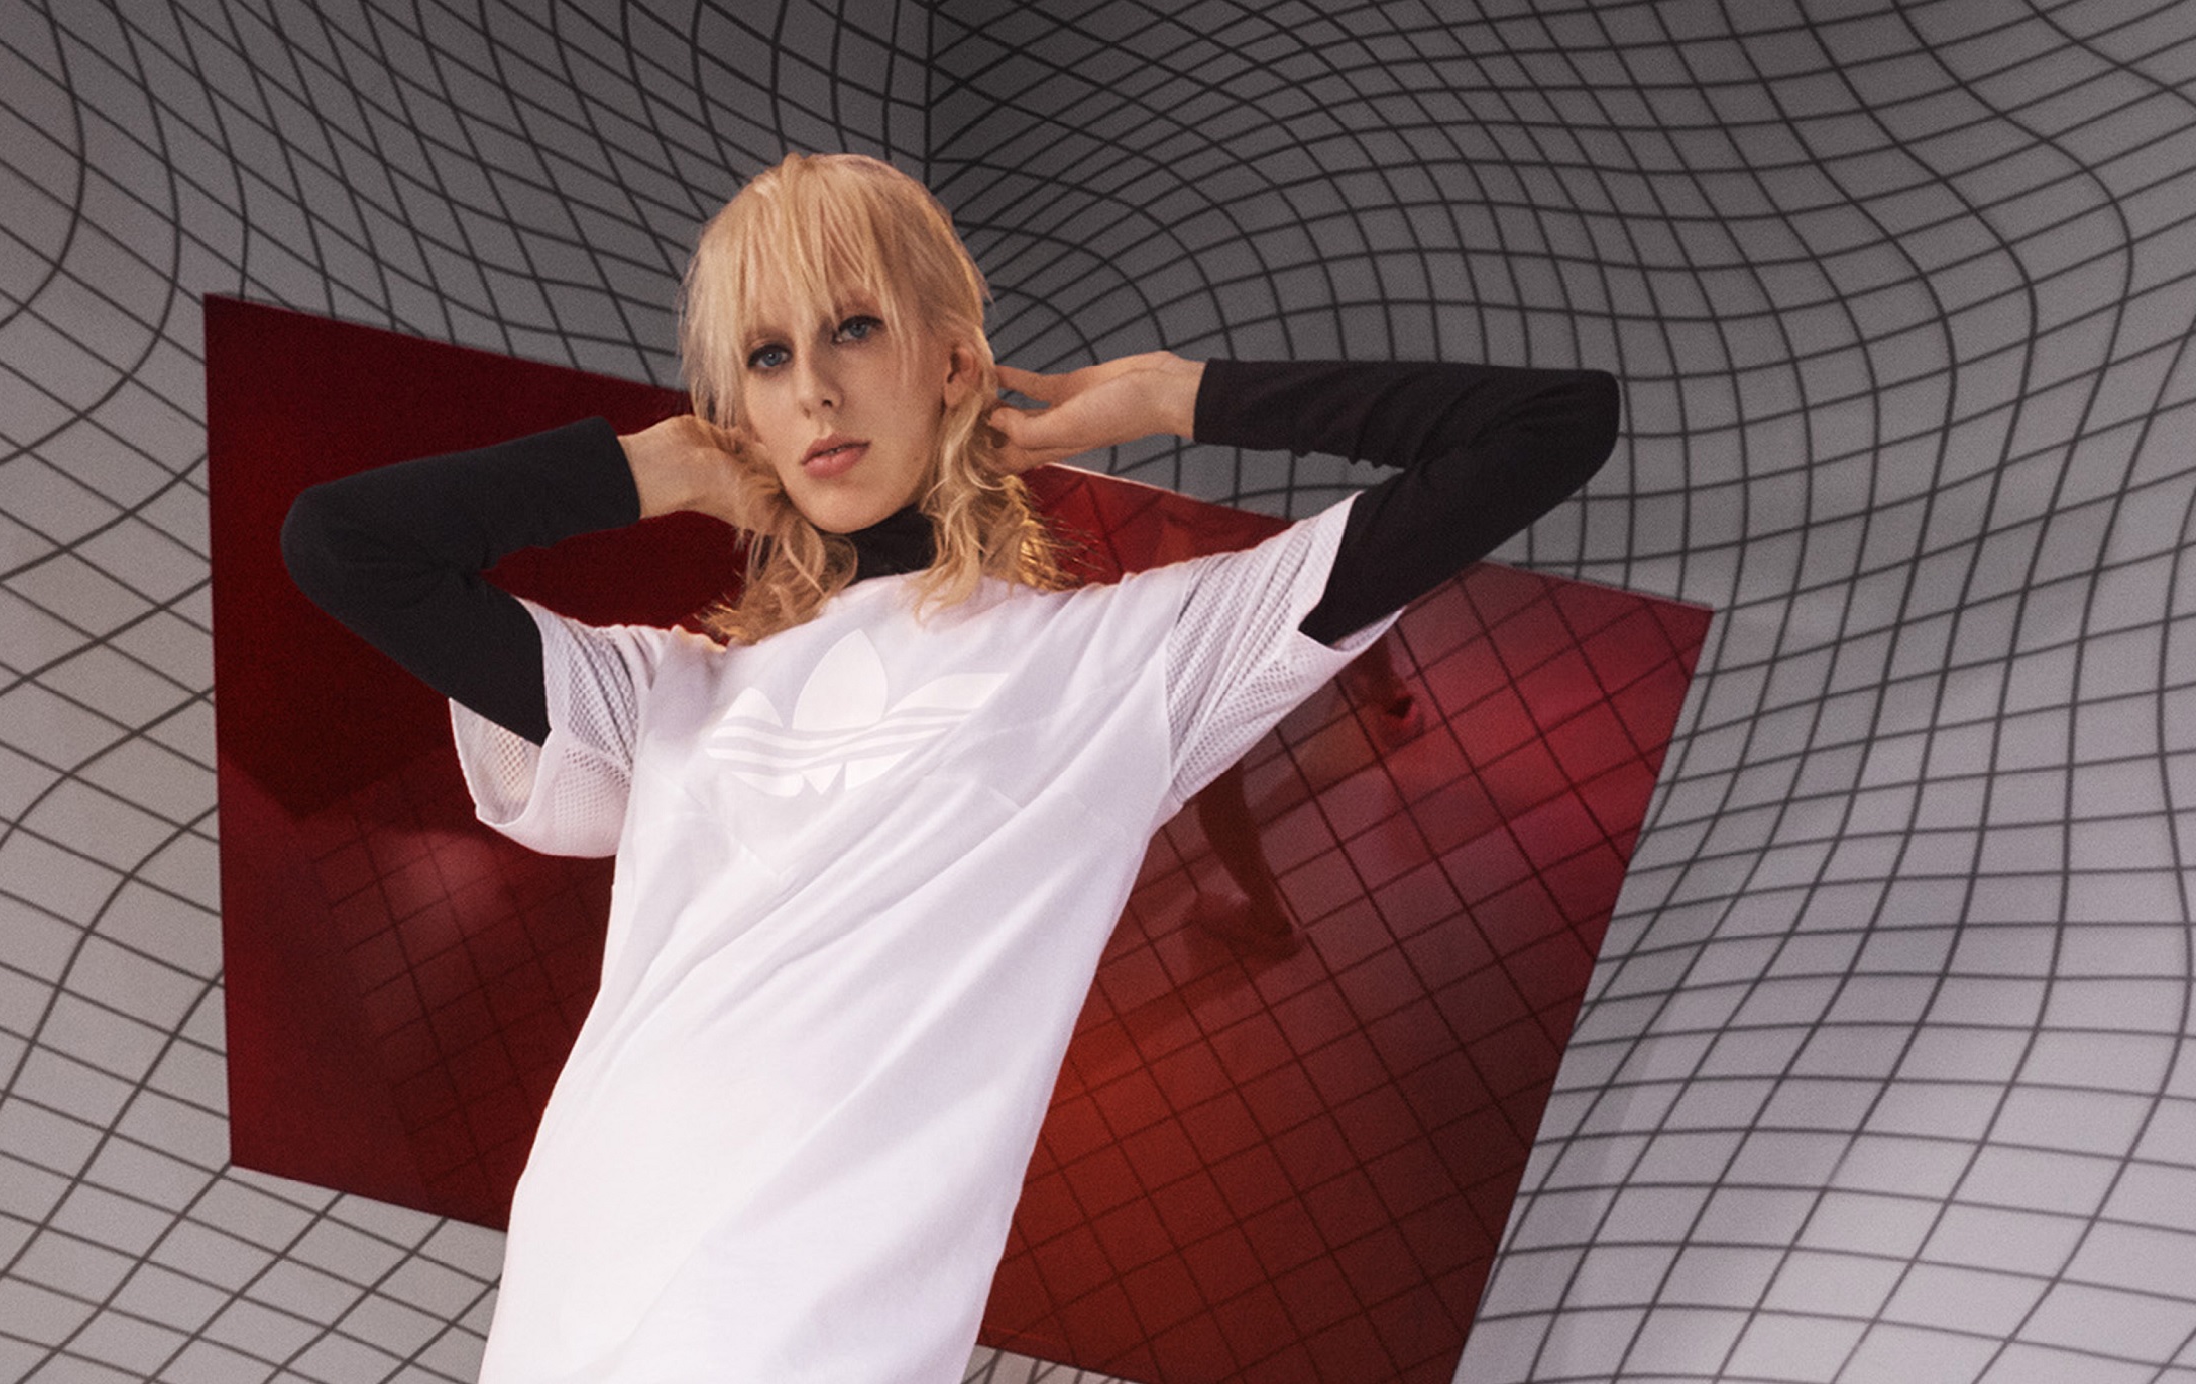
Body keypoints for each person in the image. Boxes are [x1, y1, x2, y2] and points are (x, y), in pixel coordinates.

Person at [281, 152, 1617, 1384]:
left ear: (955, 362)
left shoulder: (1127, 664)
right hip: (573, 1302)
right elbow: (344, 546)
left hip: (813, 1346)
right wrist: (638, 471)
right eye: (767, 356)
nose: (814, 389)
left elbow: (1549, 427)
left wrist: (1175, 397)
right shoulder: (669, 695)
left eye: (854, 328)